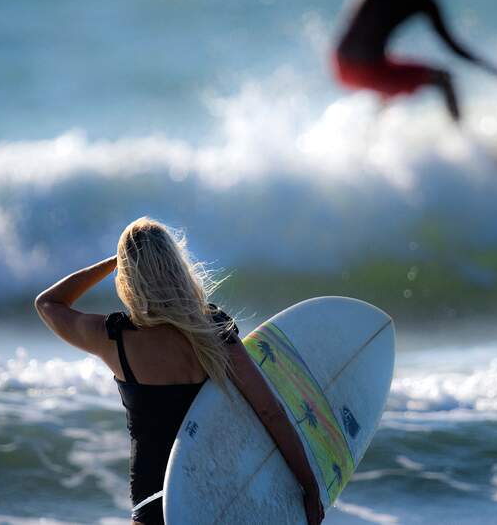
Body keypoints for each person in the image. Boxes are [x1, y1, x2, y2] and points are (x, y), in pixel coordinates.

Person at [34, 218, 322, 524]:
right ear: (176, 265)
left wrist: (115, 261)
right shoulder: (212, 330)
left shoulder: (114, 338)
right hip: (213, 496)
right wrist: (309, 486)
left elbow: (48, 303)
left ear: (129, 277)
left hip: (152, 504)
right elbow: (270, 412)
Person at [333, 0, 497, 124]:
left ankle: (371, 133)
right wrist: (487, 66)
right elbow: (451, 45)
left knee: (389, 83)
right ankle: (462, 137)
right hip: (367, 68)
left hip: (340, 59)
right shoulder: (424, 0)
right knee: (444, 79)